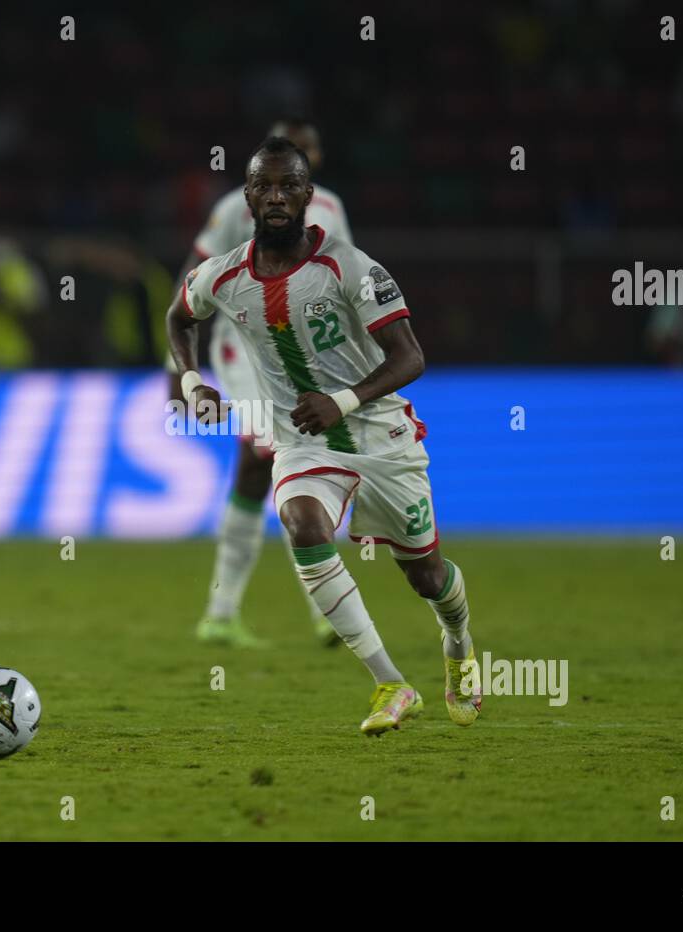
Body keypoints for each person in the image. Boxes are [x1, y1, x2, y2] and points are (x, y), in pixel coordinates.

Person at [165, 137, 483, 734]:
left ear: (310, 195)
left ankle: (458, 643)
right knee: (303, 524)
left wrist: (342, 401)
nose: (276, 196)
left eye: (289, 185)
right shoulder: (225, 274)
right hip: (302, 441)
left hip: (379, 434)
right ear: (248, 196)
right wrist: (191, 383)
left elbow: (410, 357)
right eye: (264, 186)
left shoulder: (350, 267)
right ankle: (391, 683)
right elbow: (178, 316)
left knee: (426, 576)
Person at [172, 119, 353, 649]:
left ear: (314, 160)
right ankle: (320, 611)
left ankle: (222, 614)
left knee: (277, 466)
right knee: (271, 451)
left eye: (306, 146)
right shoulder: (236, 209)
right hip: (244, 348)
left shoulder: (332, 209)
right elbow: (191, 282)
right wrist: (177, 370)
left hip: (306, 355)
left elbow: (347, 280)